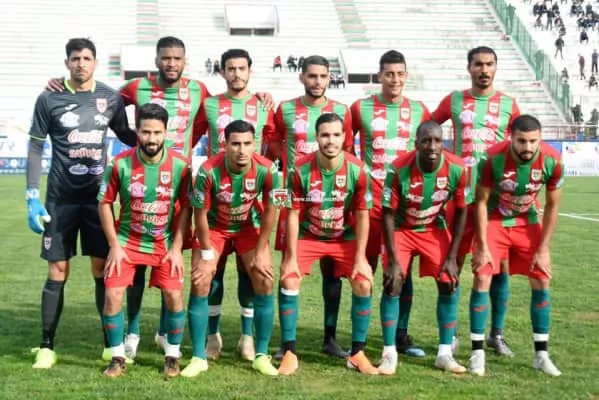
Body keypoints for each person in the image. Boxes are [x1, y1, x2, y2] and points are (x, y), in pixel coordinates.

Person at [26, 38, 137, 369]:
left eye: (87, 58)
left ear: (96, 62)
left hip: (97, 200)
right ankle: (47, 346)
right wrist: (32, 194)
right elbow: (35, 146)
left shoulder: (110, 98)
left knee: (102, 269)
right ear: (67, 63)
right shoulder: (48, 98)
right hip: (60, 199)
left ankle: (110, 346)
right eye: (75, 58)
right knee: (58, 270)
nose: (81, 64)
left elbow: (126, 134)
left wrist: (159, 137)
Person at [431, 46, 520, 357]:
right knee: (451, 263)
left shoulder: (509, 104)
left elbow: (522, 144)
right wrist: (446, 160)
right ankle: (451, 334)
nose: (484, 70)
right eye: (478, 64)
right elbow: (428, 129)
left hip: (496, 200)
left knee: (499, 266)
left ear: (496, 67)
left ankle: (496, 334)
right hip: (460, 198)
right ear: (469, 67)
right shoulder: (454, 100)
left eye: (489, 64)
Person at [266, 55, 353, 360]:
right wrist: (290, 163)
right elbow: (271, 140)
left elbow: (348, 150)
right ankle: (285, 342)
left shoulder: (341, 111)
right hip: (294, 194)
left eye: (323, 76)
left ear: (330, 78)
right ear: (301, 76)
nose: (318, 81)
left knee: (333, 271)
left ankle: (330, 337)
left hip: (332, 197)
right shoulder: (286, 109)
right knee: (288, 266)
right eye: (312, 76)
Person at [277, 112, 377, 376]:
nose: (330, 140)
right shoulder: (299, 169)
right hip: (309, 235)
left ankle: (357, 353)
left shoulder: (358, 170)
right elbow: (292, 213)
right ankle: (289, 352)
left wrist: (361, 258)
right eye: (324, 135)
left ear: (344, 137)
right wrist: (291, 257)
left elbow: (363, 215)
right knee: (289, 279)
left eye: (335, 135)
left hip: (343, 236)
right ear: (316, 137)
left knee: (363, 282)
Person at [194, 48, 277, 362]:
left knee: (253, 271)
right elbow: (189, 135)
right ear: (222, 71)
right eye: (231, 68)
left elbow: (275, 143)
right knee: (210, 273)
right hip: (216, 202)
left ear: (250, 71)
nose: (237, 74)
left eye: (242, 68)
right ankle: (212, 336)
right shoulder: (209, 104)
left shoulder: (264, 105)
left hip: (250, 206)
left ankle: (247, 338)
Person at [98, 103, 191, 378]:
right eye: (146, 132)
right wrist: (114, 246)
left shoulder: (180, 166)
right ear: (137, 131)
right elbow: (104, 203)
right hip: (127, 242)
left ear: (166, 132)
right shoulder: (120, 164)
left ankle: (172, 355)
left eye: (157, 133)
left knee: (174, 295)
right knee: (113, 294)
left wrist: (177, 248)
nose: (152, 139)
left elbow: (187, 208)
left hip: (164, 243)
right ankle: (117, 356)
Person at [184, 119, 281, 377]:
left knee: (264, 277)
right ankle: (200, 354)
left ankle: (260, 353)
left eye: (247, 143)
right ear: (225, 144)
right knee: (201, 279)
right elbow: (199, 215)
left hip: (248, 227)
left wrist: (261, 250)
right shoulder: (207, 171)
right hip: (214, 228)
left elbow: (271, 210)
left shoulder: (268, 170)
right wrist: (207, 254)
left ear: (255, 144)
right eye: (235, 144)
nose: (241, 150)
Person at [469, 115, 563, 377]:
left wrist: (543, 249)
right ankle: (477, 353)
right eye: (521, 141)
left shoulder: (553, 160)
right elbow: (481, 202)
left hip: (526, 220)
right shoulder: (491, 158)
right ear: (511, 138)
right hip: (495, 219)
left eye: (533, 141)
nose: (527, 147)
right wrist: (482, 245)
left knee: (542, 278)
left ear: (540, 139)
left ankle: (541, 355)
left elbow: (552, 206)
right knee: (482, 276)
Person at [350, 50, 430, 359]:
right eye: (389, 74)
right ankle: (358, 338)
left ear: (406, 75)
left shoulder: (419, 110)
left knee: (401, 271)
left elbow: (427, 149)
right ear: (379, 75)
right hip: (370, 203)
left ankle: (400, 334)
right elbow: (346, 147)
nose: (394, 79)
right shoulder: (361, 108)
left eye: (400, 74)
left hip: (403, 205)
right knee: (364, 270)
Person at [379, 121, 468, 375]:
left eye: (437, 140)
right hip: (401, 228)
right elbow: (387, 214)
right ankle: (389, 353)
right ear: (416, 143)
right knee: (394, 281)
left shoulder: (457, 168)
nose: (432, 146)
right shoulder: (398, 168)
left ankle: (444, 353)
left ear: (444, 142)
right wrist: (393, 260)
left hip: (431, 228)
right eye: (426, 141)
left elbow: (462, 211)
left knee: (448, 280)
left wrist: (452, 256)